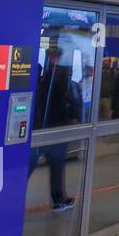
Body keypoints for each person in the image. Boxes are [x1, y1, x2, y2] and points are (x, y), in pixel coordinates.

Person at [32, 46, 80, 212]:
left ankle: (9, 197)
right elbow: (69, 98)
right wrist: (74, 115)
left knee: (31, 162)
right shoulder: (62, 75)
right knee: (57, 164)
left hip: (38, 125)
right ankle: (58, 200)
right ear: (59, 57)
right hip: (57, 124)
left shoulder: (39, 73)